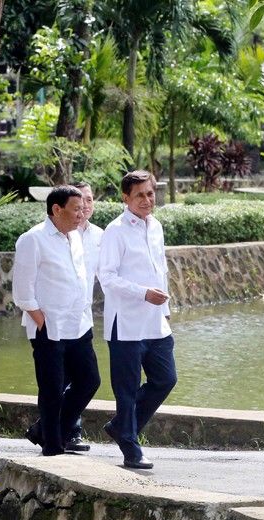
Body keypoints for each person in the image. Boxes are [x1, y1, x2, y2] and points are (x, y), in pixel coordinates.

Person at [12, 185, 101, 456]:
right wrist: (42, 321)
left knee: (89, 381)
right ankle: (52, 448)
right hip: (49, 327)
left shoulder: (74, 237)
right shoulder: (33, 239)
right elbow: (22, 291)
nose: (81, 213)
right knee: (51, 389)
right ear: (56, 209)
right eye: (76, 209)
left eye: (83, 208)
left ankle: (46, 431)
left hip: (79, 325)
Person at [98, 170, 177, 469]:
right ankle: (130, 445)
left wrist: (165, 309)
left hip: (156, 321)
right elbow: (106, 277)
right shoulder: (115, 230)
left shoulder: (155, 226)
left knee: (166, 378)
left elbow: (162, 269)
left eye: (150, 193)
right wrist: (143, 293)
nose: (146, 200)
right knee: (127, 389)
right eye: (140, 195)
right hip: (126, 323)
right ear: (125, 197)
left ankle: (121, 426)